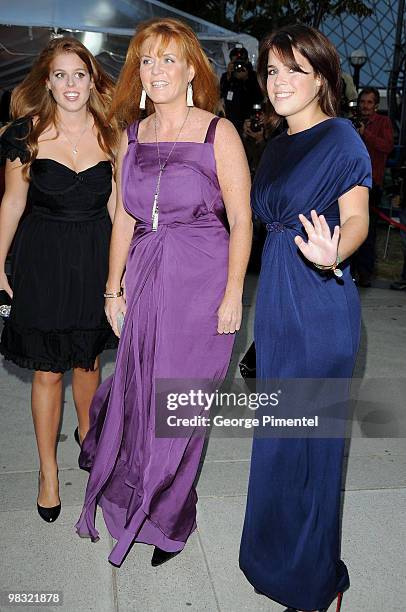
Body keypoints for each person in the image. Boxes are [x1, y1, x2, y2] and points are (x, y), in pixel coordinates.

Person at [75, 17, 252, 567]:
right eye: (146, 61)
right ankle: (132, 504)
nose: (155, 71)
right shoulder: (132, 135)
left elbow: (243, 220)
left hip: (201, 282)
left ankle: (171, 518)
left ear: (191, 69)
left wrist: (232, 295)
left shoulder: (217, 132)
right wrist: (112, 289)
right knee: (135, 396)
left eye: (168, 59)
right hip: (147, 277)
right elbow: (125, 221)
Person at [239, 25, 371, 612]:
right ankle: (273, 557)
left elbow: (359, 218)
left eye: (294, 69)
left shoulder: (342, 139)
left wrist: (335, 251)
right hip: (276, 304)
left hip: (318, 304)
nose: (279, 81)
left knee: (311, 450)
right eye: (271, 69)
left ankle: (319, 583)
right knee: (278, 442)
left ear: (321, 76)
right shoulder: (275, 143)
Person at [0, 37, 118, 523]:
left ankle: (88, 436)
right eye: (60, 75)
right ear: (46, 82)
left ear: (93, 80)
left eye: (80, 74)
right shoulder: (25, 134)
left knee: (87, 363)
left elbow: (119, 207)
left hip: (94, 257)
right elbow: (12, 202)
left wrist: (122, 273)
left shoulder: (113, 134)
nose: (71, 84)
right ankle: (48, 473)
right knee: (49, 370)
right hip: (42, 261)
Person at [352, 86, 394, 287]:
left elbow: (387, 146)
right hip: (350, 183)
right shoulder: (351, 121)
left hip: (371, 184)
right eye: (362, 102)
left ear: (376, 105)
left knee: (367, 232)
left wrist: (365, 133)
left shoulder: (383, 122)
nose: (365, 106)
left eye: (369, 102)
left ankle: (364, 273)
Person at [220, 45, 263, 133]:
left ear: (247, 61)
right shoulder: (226, 77)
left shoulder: (254, 77)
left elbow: (259, 98)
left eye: (241, 63)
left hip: (249, 122)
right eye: (235, 62)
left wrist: (246, 79)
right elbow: (221, 97)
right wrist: (229, 77)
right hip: (231, 122)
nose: (238, 66)